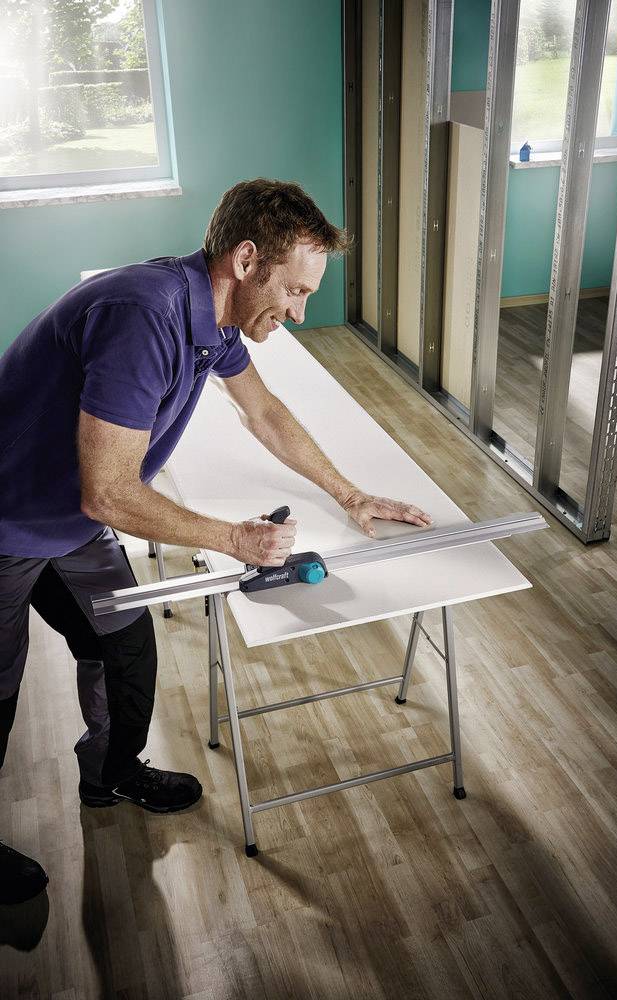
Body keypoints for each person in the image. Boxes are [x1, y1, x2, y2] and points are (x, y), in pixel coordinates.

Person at [0, 178, 432, 903]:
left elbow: (264, 414)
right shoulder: (143, 316)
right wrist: (232, 536)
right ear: (245, 259)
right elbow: (107, 491)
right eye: (293, 291)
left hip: (67, 525)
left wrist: (350, 494)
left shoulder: (217, 320)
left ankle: (110, 771)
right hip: (9, 519)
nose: (298, 312)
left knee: (124, 645)